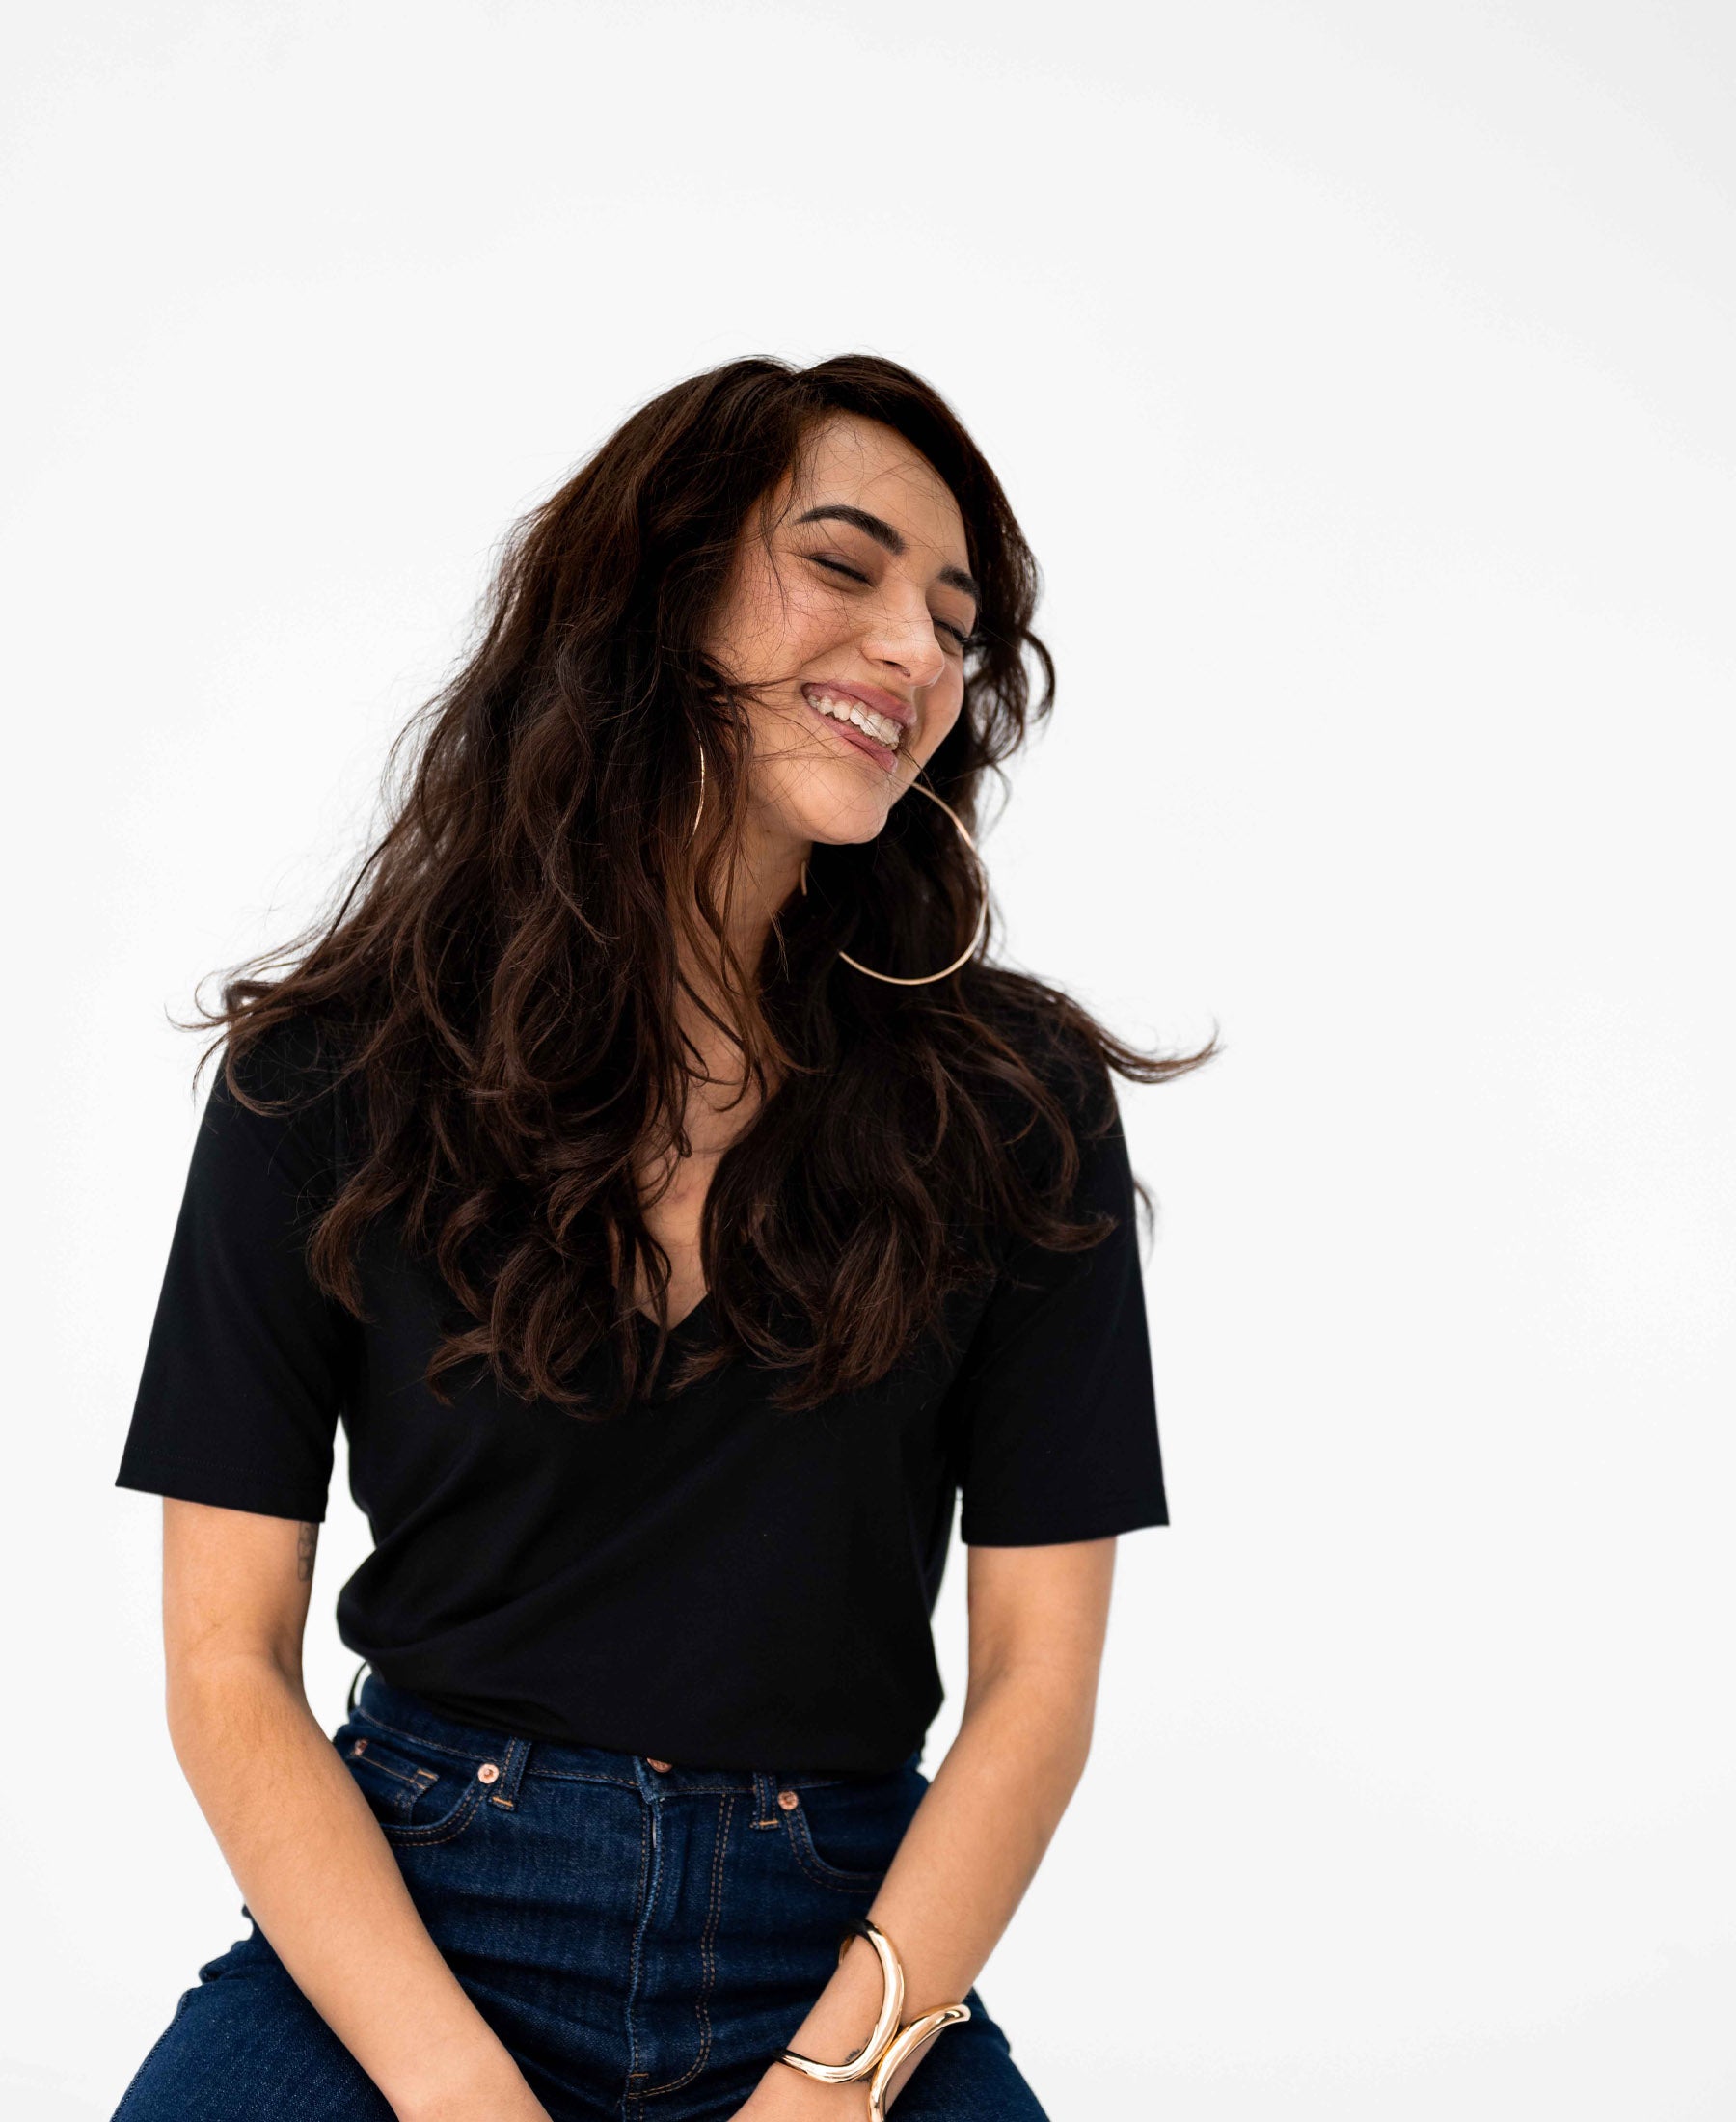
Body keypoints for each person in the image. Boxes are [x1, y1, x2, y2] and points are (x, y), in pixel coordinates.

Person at [110, 353, 1216, 2121]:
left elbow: (1034, 1688)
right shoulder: (328, 1075)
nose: (921, 653)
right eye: (844, 568)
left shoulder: (1015, 1107)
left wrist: (833, 2083)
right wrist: (453, 2091)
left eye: (955, 620)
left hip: (841, 1944)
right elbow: (223, 1663)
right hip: (411, 1924)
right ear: (657, 584)